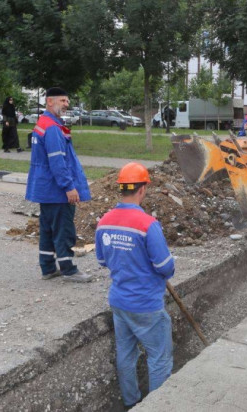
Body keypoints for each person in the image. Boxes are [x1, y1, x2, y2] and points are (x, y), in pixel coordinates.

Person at [95, 162, 175, 407]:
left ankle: (132, 402)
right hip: (146, 305)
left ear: (122, 189)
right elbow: (165, 267)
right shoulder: (148, 224)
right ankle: (157, 406)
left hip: (120, 302)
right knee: (159, 358)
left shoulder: (105, 222)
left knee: (126, 357)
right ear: (142, 189)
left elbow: (102, 260)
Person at [26, 87, 92, 282]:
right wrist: (69, 187)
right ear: (50, 102)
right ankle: (68, 270)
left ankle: (47, 268)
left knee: (47, 229)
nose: (66, 104)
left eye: (67, 101)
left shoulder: (44, 123)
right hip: (56, 191)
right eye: (63, 100)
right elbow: (58, 162)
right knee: (64, 230)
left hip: (46, 189)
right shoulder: (53, 128)